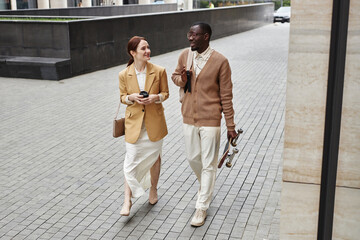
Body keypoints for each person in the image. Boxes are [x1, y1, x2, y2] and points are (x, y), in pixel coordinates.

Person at [172, 22, 237, 227]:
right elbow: (174, 77)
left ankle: (201, 207)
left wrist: (230, 124)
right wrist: (182, 79)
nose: (190, 38)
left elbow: (226, 95)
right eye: (189, 34)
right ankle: (206, 186)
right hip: (188, 117)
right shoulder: (185, 55)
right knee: (193, 158)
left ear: (206, 36)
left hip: (211, 119)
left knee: (209, 164)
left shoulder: (221, 61)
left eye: (194, 35)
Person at [118, 36, 169, 216]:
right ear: (133, 53)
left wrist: (155, 98)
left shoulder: (159, 71)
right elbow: (122, 97)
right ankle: (127, 200)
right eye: (143, 48)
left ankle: (153, 189)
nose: (148, 51)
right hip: (134, 125)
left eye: (148, 47)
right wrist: (130, 98)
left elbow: (166, 93)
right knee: (130, 162)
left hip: (154, 123)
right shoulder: (124, 74)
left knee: (155, 158)